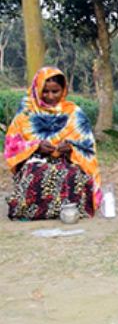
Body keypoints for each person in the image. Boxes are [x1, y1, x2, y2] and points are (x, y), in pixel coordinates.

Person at [4, 67, 101, 220]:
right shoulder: (26, 112)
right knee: (36, 172)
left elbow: (87, 147)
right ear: (37, 89)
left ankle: (70, 211)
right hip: (34, 160)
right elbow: (12, 146)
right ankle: (32, 211)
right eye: (45, 91)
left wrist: (70, 148)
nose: (50, 96)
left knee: (72, 174)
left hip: (66, 160)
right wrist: (36, 146)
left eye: (55, 91)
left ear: (63, 90)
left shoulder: (74, 112)